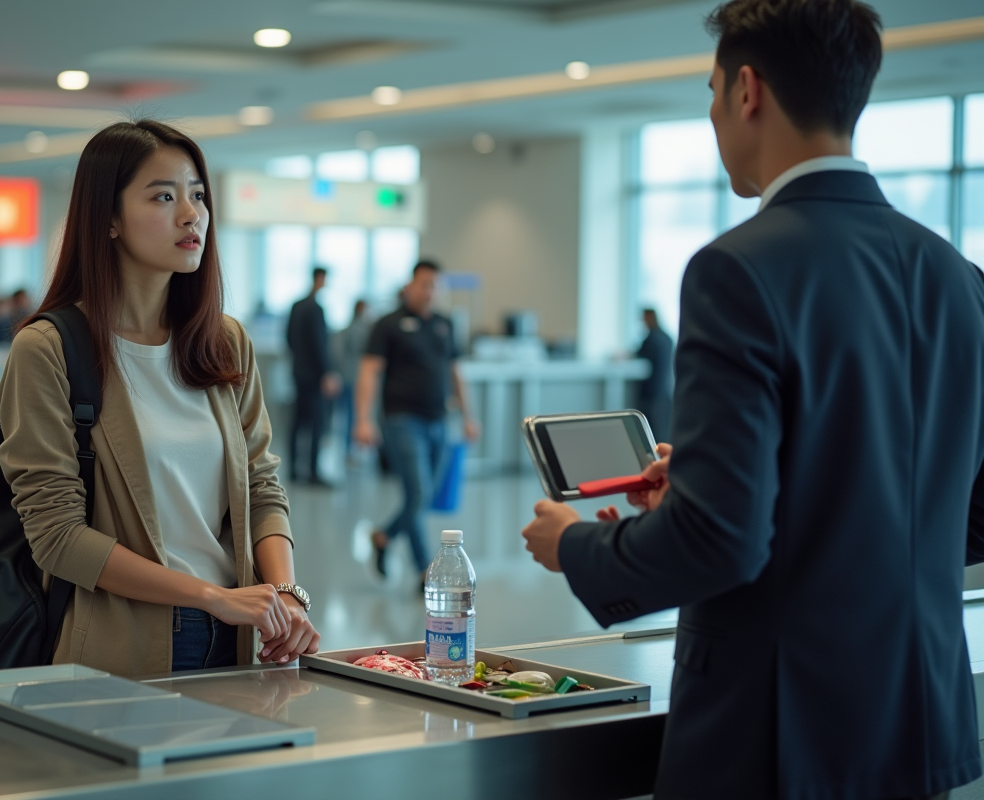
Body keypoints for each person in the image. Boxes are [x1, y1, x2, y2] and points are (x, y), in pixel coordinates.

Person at [521, 2, 984, 798]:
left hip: (779, 731)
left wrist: (574, 545)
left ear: (747, 90)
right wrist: (720, 481)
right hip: (918, 716)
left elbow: (720, 543)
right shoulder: (955, 276)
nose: (712, 114)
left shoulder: (738, 270)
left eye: (709, 92)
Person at [0, 119, 318, 677]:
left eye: (197, 195)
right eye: (164, 196)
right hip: (123, 641)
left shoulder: (225, 342)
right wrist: (206, 597)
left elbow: (262, 487)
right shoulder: (47, 349)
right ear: (110, 218)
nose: (191, 214)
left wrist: (284, 592)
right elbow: (58, 537)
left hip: (245, 634)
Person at [355, 260, 478, 586]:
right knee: (419, 492)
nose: (429, 291)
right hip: (400, 420)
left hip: (439, 421)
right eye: (423, 284)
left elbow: (456, 372)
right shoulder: (388, 325)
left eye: (435, 286)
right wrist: (363, 420)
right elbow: (369, 371)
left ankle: (384, 536)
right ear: (410, 285)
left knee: (423, 496)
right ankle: (425, 570)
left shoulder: (445, 324)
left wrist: (469, 417)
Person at [285, 267, 340, 486]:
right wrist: (326, 373)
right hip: (315, 376)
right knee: (316, 423)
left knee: (297, 422)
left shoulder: (296, 306)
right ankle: (313, 472)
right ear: (319, 279)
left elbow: (288, 338)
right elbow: (319, 344)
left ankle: (293, 470)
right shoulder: (315, 309)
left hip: (299, 372)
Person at [332, 299, 372, 454]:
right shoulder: (366, 330)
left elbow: (338, 354)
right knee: (357, 416)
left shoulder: (347, 330)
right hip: (358, 379)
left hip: (348, 377)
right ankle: (357, 449)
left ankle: (350, 449)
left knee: (348, 415)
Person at [635, 307, 673, 441]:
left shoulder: (651, 340)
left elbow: (640, 358)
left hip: (650, 394)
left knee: (649, 434)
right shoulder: (666, 337)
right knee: (662, 433)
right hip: (665, 391)